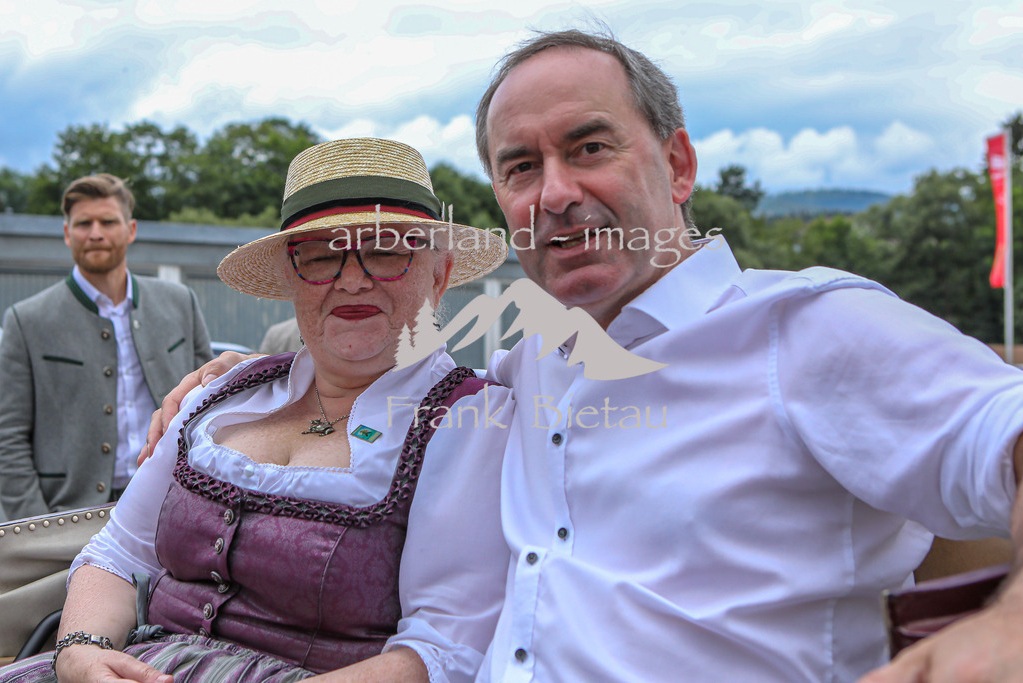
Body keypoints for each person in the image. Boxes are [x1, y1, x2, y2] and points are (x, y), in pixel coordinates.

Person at [145, 30, 1023, 682]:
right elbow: (390, 394)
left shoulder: (809, 330)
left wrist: (1005, 628)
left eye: (590, 147)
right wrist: (252, 381)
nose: (556, 193)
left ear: (677, 164)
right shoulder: (526, 368)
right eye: (521, 166)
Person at [0, 138, 512, 683]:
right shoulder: (227, 393)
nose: (353, 277)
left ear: (438, 273)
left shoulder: (469, 422)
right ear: (291, 276)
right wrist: (82, 651)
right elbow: (119, 552)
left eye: (387, 251)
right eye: (321, 254)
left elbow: (444, 648)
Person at [0, 174, 213, 520]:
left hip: (171, 504)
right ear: (67, 233)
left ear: (130, 230)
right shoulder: (26, 320)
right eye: (84, 223)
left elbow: (209, 406)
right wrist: (35, 524)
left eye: (108, 221)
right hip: (68, 516)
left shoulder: (179, 303)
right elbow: (7, 438)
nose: (96, 232)